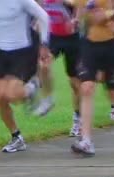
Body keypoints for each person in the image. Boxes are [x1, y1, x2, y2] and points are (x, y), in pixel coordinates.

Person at [0, 0, 51, 153]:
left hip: (23, 50)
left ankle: (32, 86)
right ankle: (16, 137)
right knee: (0, 98)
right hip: (1, 52)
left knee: (13, 95)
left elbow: (43, 16)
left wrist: (44, 44)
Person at [70, 0, 114, 156]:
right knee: (86, 87)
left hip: (111, 46)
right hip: (89, 45)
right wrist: (77, 19)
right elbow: (95, 18)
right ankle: (86, 141)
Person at [34, 0, 82, 138]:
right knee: (43, 64)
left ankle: (78, 118)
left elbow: (79, 5)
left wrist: (77, 19)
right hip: (53, 36)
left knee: (75, 83)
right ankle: (48, 99)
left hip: (73, 39)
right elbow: (38, 8)